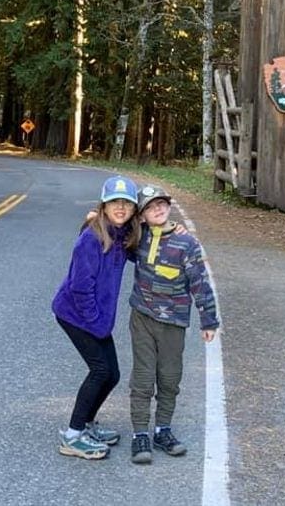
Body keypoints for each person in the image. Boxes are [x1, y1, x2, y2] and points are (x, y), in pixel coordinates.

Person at [128, 183, 219, 465]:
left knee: (169, 379)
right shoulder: (137, 237)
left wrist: (209, 319)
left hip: (174, 323)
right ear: (141, 215)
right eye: (151, 206)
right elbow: (109, 229)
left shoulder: (186, 243)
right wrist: (93, 218)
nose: (158, 209)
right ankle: (140, 433)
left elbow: (200, 283)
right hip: (142, 317)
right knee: (143, 379)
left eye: (162, 204)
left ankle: (162, 430)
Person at [52, 175, 141, 460]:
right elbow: (80, 288)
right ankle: (73, 435)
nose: (120, 207)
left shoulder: (121, 236)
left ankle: (87, 424)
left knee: (112, 374)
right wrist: (95, 324)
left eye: (126, 203)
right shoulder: (91, 239)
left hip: (97, 319)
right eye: (114, 202)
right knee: (100, 371)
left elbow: (141, 253)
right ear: (103, 205)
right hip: (75, 314)